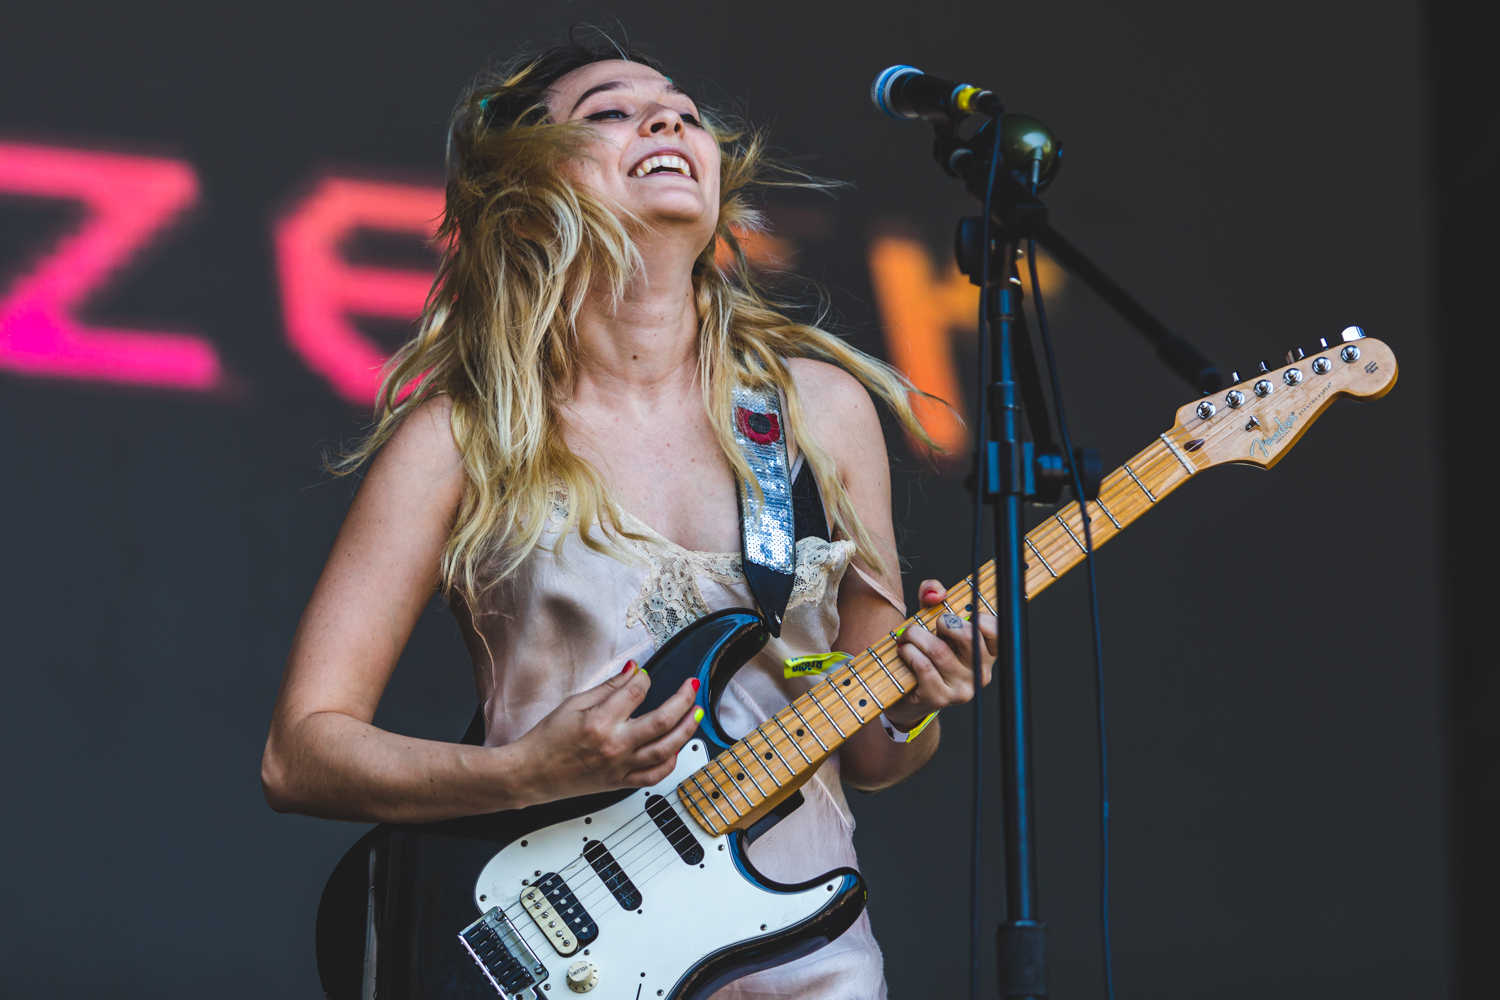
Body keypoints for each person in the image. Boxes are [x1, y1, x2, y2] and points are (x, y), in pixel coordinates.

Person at [261, 38, 997, 999]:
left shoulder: (818, 410)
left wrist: (913, 700)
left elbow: (867, 750)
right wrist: (523, 773)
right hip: (569, 957)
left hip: (807, 958)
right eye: (612, 111)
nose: (669, 121)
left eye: (685, 112)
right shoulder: (460, 435)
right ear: (524, 194)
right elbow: (300, 752)